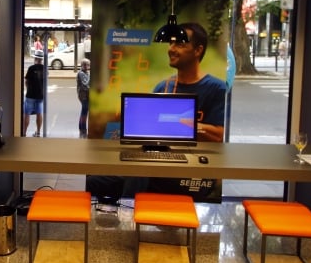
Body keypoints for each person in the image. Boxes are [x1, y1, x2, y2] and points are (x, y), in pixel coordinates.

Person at [86, 22, 227, 201]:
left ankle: (129, 214)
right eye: (171, 43)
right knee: (94, 181)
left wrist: (183, 124)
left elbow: (219, 135)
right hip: (157, 166)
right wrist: (133, 117)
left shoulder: (216, 88)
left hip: (193, 172)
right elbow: (151, 130)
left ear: (198, 50)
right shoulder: (163, 86)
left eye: (179, 44)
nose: (171, 49)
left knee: (140, 171)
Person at [23, 49, 45, 137]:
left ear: (35, 58)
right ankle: (38, 132)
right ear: (41, 59)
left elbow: (26, 81)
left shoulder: (31, 68)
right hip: (40, 95)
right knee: (39, 113)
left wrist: (28, 89)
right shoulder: (44, 68)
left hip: (30, 95)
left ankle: (24, 133)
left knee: (27, 114)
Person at [76, 58, 90, 138]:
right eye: (84, 65)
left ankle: (81, 128)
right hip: (83, 95)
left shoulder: (87, 73)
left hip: (86, 95)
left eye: (87, 65)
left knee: (84, 111)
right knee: (84, 112)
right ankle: (83, 129)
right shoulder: (81, 73)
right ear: (81, 65)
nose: (86, 66)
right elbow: (85, 85)